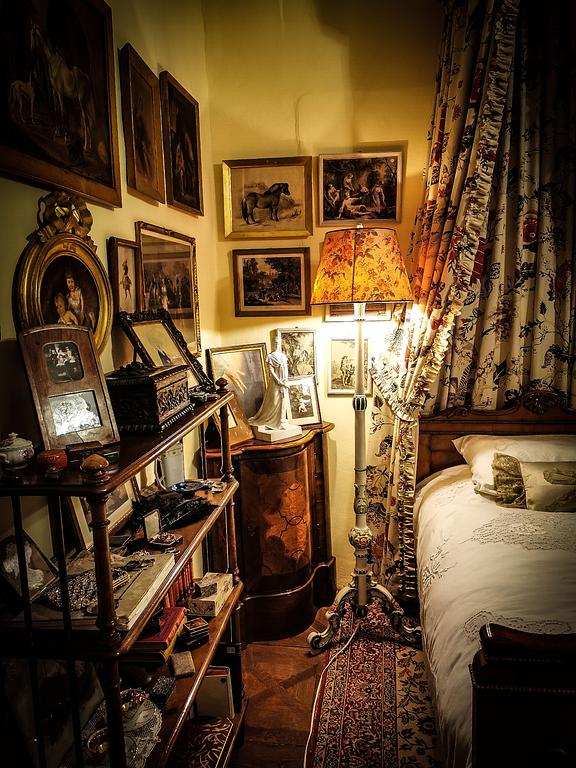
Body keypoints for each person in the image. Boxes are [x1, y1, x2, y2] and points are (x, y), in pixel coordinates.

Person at [249, 332, 291, 430]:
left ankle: (281, 420)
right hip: (275, 382)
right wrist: (278, 381)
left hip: (284, 382)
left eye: (278, 343)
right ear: (273, 343)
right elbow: (271, 371)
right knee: (275, 400)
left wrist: (285, 380)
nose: (277, 345)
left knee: (283, 401)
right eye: (275, 343)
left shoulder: (283, 356)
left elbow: (286, 369)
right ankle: (272, 420)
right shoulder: (270, 356)